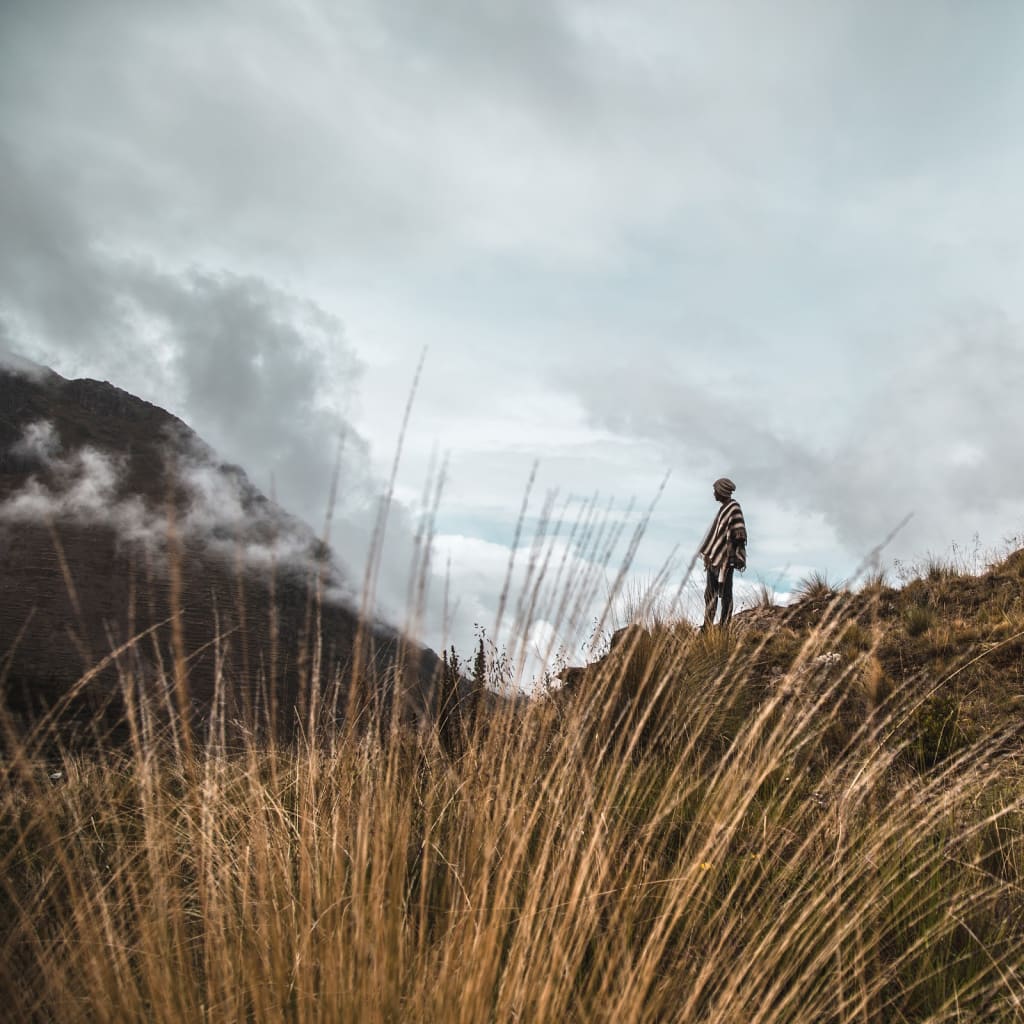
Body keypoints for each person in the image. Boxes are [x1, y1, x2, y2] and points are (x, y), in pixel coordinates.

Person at [698, 477, 747, 628]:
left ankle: (725, 626)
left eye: (715, 490)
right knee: (710, 595)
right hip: (715, 559)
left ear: (722, 491)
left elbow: (739, 533)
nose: (714, 493)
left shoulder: (733, 507)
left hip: (727, 559)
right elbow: (718, 534)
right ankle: (707, 627)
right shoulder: (723, 508)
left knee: (726, 594)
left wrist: (730, 554)